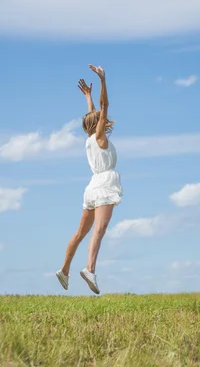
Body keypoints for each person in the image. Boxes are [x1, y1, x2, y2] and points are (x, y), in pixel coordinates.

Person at [56, 64, 123, 295]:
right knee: (99, 229)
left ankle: (64, 270)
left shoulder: (90, 139)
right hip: (104, 184)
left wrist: (88, 97)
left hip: (92, 186)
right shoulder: (100, 137)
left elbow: (95, 112)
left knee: (79, 233)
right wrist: (103, 80)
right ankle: (89, 269)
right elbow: (103, 107)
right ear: (98, 125)